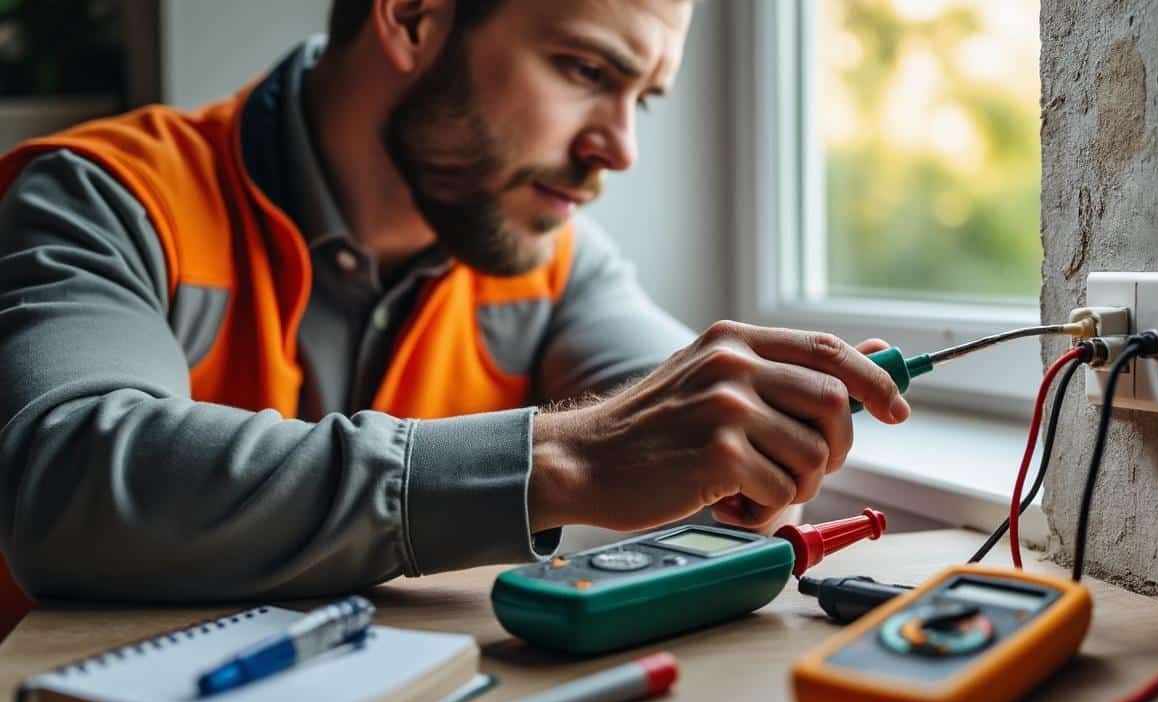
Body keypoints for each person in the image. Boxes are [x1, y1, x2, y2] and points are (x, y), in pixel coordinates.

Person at [0, 0, 909, 634]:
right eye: (586, 69)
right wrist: (561, 459)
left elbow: (662, 411)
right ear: (412, 16)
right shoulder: (105, 198)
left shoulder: (551, 258)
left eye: (643, 97)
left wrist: (736, 443)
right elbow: (60, 480)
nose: (620, 148)